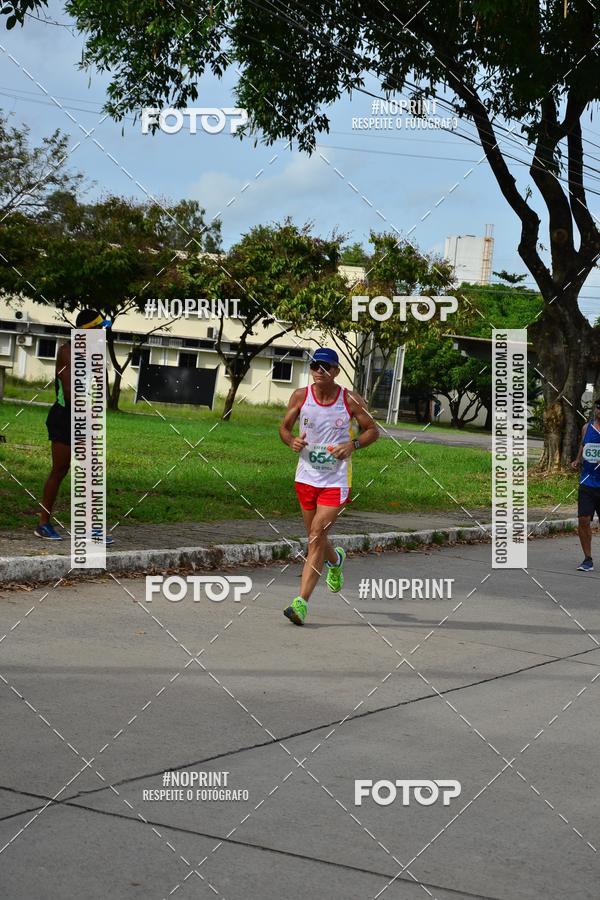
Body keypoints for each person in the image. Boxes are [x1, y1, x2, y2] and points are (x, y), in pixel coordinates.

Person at [278, 347, 379, 625]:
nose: (319, 371)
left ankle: (300, 603)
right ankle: (335, 560)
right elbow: (284, 428)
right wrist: (291, 441)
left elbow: (373, 430)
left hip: (336, 480)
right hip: (306, 477)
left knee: (315, 535)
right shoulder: (300, 396)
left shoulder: (349, 399)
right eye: (315, 366)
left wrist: (353, 445)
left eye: (325, 367)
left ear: (336, 371)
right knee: (316, 537)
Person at [35, 309, 113, 543]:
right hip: (65, 417)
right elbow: (70, 392)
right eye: (99, 329)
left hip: (87, 417)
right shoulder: (67, 352)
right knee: (60, 469)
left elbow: (102, 389)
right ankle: (43, 524)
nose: (102, 333)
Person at [571, 398, 600, 571]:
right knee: (583, 520)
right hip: (587, 482)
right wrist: (577, 460)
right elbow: (583, 446)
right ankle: (587, 559)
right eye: (598, 407)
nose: (599, 410)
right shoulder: (586, 428)